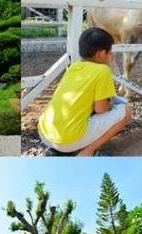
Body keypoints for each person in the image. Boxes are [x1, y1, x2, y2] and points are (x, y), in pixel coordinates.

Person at [37, 27, 132, 156]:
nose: (111, 55)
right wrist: (110, 104)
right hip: (67, 140)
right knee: (126, 111)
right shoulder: (102, 71)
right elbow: (100, 109)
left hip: (45, 134)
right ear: (100, 54)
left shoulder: (74, 67)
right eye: (110, 51)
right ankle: (88, 151)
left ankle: (59, 151)